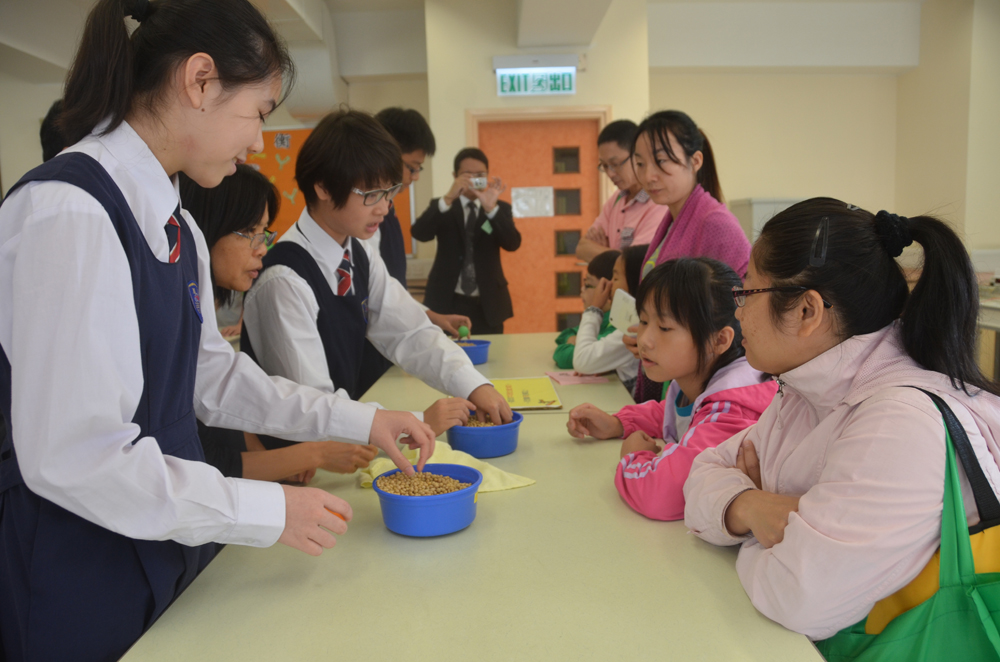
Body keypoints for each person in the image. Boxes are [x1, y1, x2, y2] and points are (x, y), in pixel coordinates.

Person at [0, 2, 434, 660]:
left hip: (172, 540)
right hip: (82, 567)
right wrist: (264, 509)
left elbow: (214, 377)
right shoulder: (67, 212)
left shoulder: (177, 223)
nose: (260, 142)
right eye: (258, 113)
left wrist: (358, 420)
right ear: (199, 81)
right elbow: (75, 456)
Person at [683, 199, 1000, 643]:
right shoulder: (806, 388)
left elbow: (798, 597)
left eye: (746, 293)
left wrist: (751, 530)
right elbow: (701, 474)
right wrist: (752, 506)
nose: (737, 311)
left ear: (807, 311)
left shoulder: (899, 423)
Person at [241, 109, 513, 439]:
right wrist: (416, 421)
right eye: (371, 194)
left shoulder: (359, 254)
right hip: (297, 463)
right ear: (324, 187)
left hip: (342, 446)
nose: (384, 207)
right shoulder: (284, 279)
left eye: (389, 192)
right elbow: (313, 404)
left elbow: (409, 331)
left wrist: (473, 385)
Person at [181, 164, 378, 482]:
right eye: (250, 233)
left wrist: (276, 459)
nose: (262, 248)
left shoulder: (202, 306)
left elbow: (229, 403)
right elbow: (205, 463)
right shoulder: (280, 279)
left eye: (264, 232)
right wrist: (313, 452)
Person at [566, 258, 775, 521]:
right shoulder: (696, 382)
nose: (644, 340)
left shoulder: (731, 411)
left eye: (664, 328)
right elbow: (675, 412)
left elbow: (660, 496)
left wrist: (633, 456)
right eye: (643, 321)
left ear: (718, 340)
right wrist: (618, 423)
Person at [625, 110, 751, 402]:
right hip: (679, 383)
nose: (648, 176)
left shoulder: (715, 223)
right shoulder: (671, 219)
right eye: (641, 165)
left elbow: (734, 316)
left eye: (661, 162)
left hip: (709, 389)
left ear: (695, 160)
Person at [373, 107, 472, 339]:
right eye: (412, 167)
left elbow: (391, 287)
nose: (415, 176)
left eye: (419, 169)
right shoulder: (368, 215)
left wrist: (431, 317)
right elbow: (379, 289)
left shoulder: (389, 206)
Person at [411, 147, 521, 335]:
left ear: (487, 177)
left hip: (488, 303)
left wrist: (491, 209)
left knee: (490, 358)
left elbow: (513, 243)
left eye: (480, 175)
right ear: (455, 176)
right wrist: (448, 198)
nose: (473, 180)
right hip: (446, 299)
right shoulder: (443, 205)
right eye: (467, 175)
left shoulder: (499, 209)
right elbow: (420, 233)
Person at [575, 120, 666, 262]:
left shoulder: (659, 202)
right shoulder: (616, 199)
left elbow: (634, 264)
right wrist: (615, 255)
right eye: (605, 166)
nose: (610, 174)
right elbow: (582, 248)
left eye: (615, 164)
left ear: (638, 156)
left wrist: (602, 252)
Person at [553, 249, 619, 368]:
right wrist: (574, 339)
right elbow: (565, 334)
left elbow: (564, 357)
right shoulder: (603, 317)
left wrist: (577, 342)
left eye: (588, 285)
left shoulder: (616, 326)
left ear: (608, 288)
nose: (582, 289)